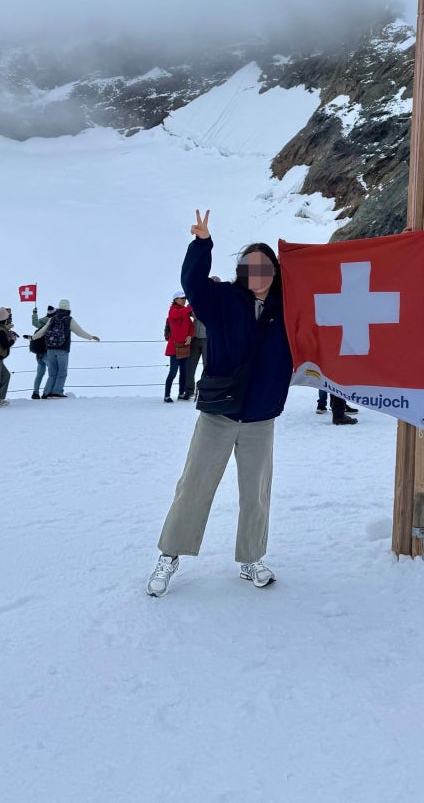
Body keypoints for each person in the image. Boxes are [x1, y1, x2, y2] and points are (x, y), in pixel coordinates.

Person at [146, 209, 293, 597]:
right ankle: (169, 555)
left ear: (275, 271)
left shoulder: (289, 308)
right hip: (220, 411)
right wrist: (202, 244)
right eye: (250, 268)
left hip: (261, 414)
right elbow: (192, 283)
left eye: (264, 268)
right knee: (194, 486)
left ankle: (251, 558)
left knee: (256, 493)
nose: (257, 274)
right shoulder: (223, 300)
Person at [34, 299, 100, 398]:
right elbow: (79, 332)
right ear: (68, 308)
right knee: (62, 371)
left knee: (52, 372)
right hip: (62, 348)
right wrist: (91, 337)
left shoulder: (52, 318)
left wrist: (33, 337)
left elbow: (43, 330)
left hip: (50, 349)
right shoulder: (69, 319)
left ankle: (47, 393)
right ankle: (57, 392)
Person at [164, 292, 194, 402]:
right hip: (174, 347)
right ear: (175, 299)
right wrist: (191, 305)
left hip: (184, 346)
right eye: (181, 298)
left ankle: (181, 393)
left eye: (185, 298)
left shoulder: (185, 312)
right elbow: (178, 314)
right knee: (173, 372)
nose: (184, 300)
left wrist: (190, 335)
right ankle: (167, 395)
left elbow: (191, 326)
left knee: (184, 372)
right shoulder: (173, 310)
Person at [27, 304, 55, 398]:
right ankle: (47, 392)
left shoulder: (41, 322)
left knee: (39, 374)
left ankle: (35, 393)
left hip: (38, 353)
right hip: (46, 353)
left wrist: (34, 314)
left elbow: (34, 323)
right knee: (53, 371)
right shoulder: (52, 323)